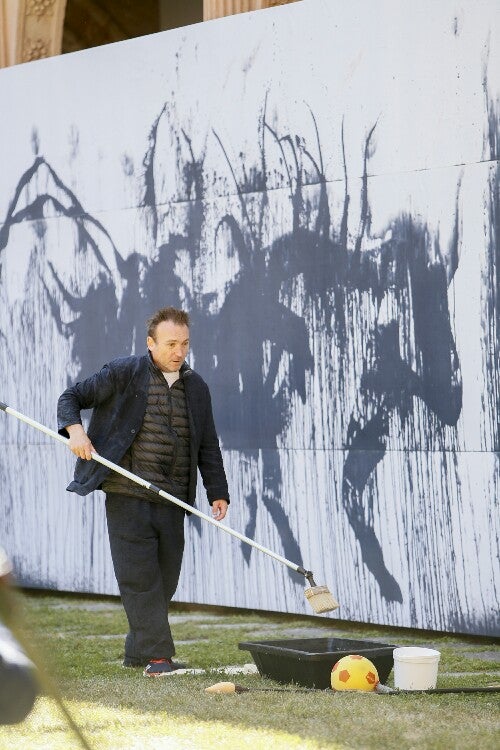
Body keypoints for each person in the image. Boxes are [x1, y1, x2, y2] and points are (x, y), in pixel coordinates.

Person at [57, 306, 229, 677]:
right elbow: (71, 397)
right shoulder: (124, 372)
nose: (179, 351)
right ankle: (158, 659)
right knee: (140, 580)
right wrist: (76, 431)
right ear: (150, 343)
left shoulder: (196, 387)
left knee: (164, 581)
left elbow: (207, 444)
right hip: (127, 493)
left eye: (184, 343)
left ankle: (138, 652)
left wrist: (218, 491)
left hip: (172, 498)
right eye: (171, 343)